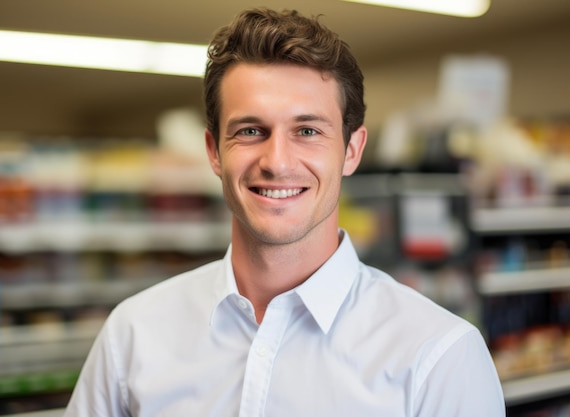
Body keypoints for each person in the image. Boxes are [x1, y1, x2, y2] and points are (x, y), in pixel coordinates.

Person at [63, 8, 506, 416]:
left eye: (307, 130)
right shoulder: (133, 337)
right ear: (214, 151)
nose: (276, 161)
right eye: (251, 130)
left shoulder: (438, 356)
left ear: (352, 151)